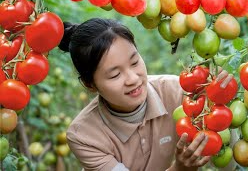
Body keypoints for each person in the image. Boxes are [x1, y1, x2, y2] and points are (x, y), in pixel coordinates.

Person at [58, 18, 235, 171]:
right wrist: (180, 169)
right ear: (90, 85)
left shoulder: (181, 94)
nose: (133, 79)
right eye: (115, 75)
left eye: (134, 62)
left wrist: (219, 100)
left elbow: (228, 162)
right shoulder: (84, 136)